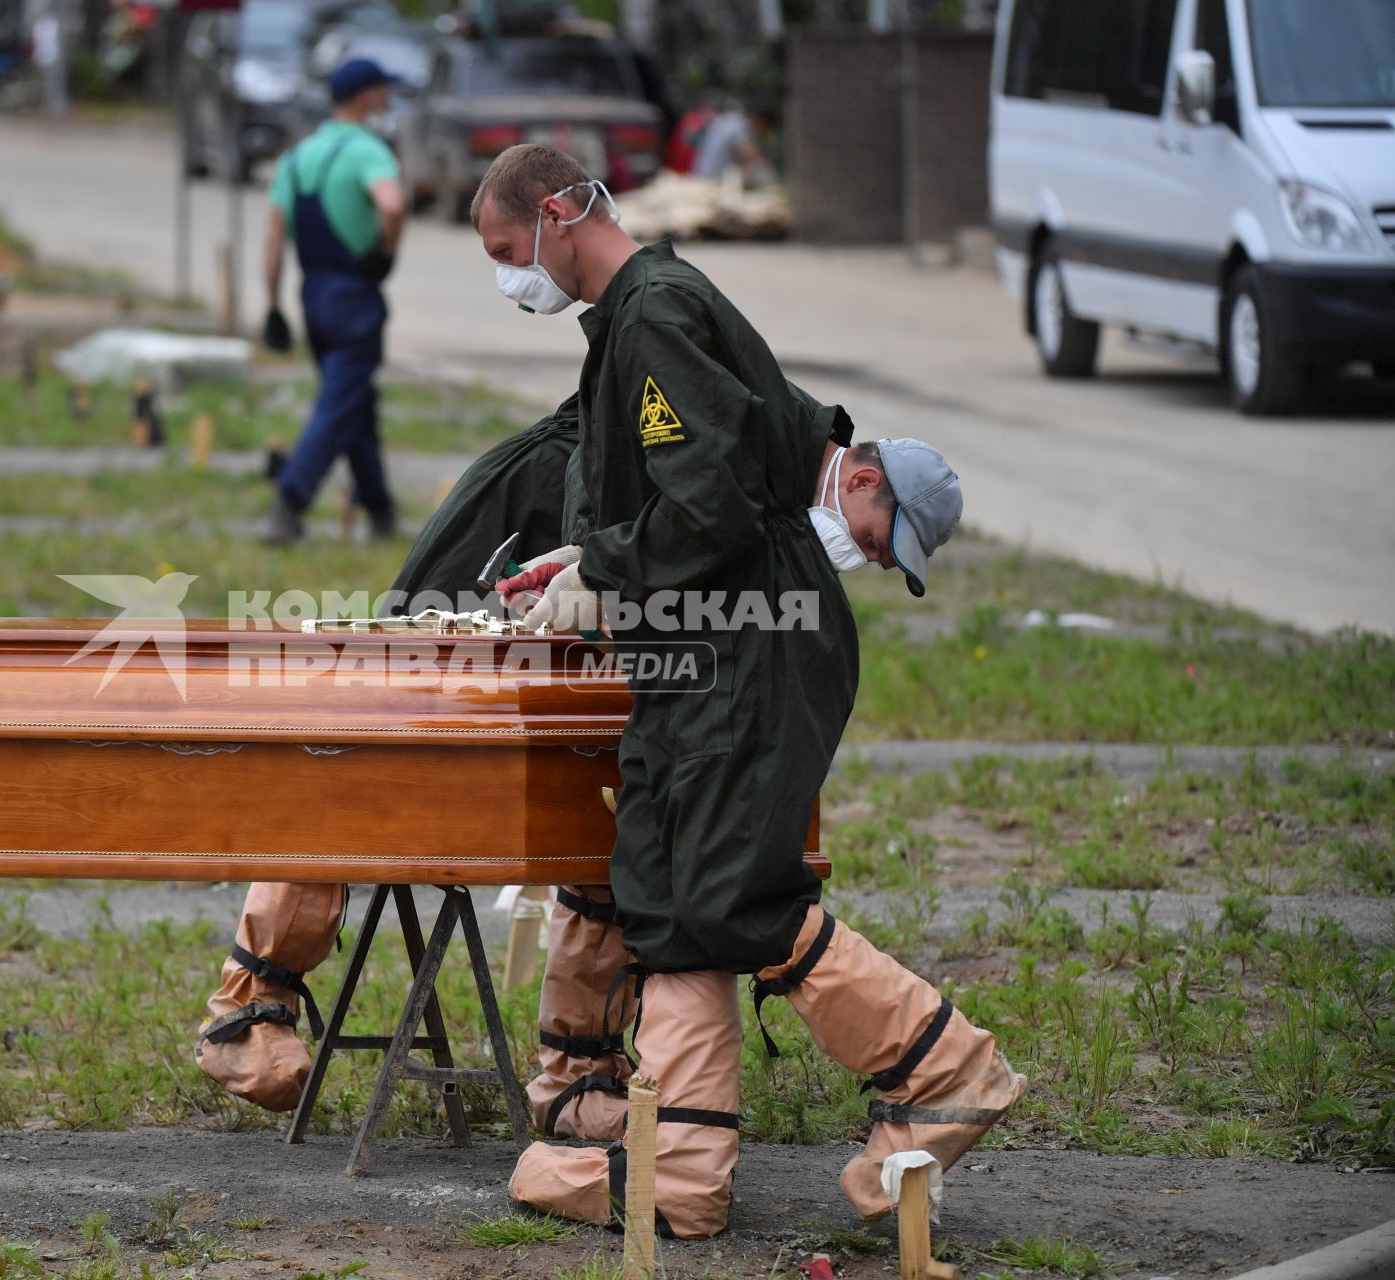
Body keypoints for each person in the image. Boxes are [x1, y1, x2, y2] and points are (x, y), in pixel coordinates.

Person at [473, 143, 1026, 1236]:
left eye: (504, 250)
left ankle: (949, 1067)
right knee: (672, 892)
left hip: (748, 648)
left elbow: (713, 509)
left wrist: (606, 566)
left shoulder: (655, 314)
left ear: (554, 212)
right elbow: (711, 484)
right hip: (726, 645)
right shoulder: (647, 311)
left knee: (728, 895)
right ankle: (681, 1168)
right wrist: (587, 558)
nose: (507, 275)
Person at [198, 398, 648, 1142]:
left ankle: (579, 1072)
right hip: (515, 539)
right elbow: (596, 484)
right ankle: (247, 1007)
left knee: (604, 793)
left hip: (560, 549)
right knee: (368, 753)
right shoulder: (640, 394)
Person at [259, 57, 408, 547]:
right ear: (366, 96)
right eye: (384, 90)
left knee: (354, 405)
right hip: (353, 295)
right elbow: (392, 204)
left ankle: (381, 512)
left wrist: (273, 307)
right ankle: (290, 502)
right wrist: (385, 253)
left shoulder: (297, 156)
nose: (387, 98)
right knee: (339, 403)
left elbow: (275, 238)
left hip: (311, 294)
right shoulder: (368, 151)